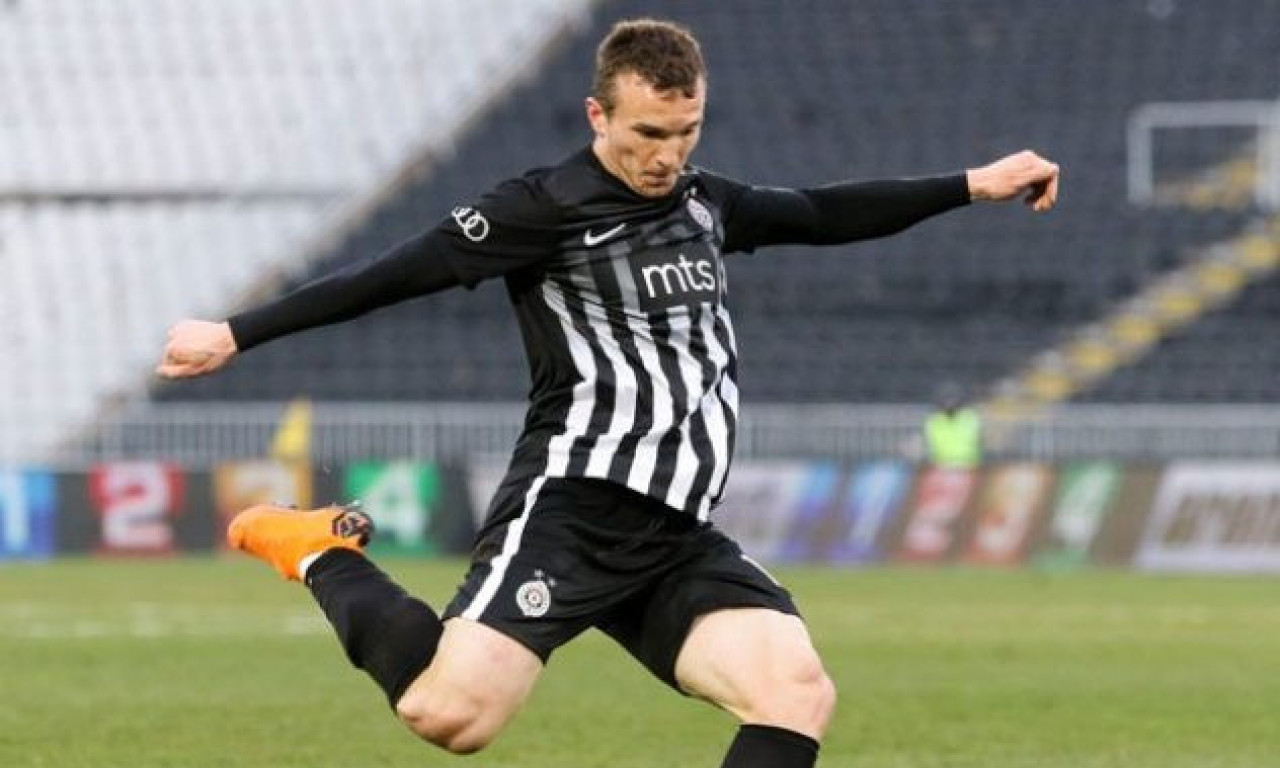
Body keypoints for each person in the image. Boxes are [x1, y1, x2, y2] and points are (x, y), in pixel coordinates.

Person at [156, 18, 1059, 767]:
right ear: (599, 114)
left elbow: (821, 214)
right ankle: (319, 549)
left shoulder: (701, 203)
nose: (668, 155)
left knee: (794, 693)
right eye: (647, 134)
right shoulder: (541, 208)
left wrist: (973, 185)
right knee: (449, 718)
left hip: (674, 531)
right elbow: (394, 274)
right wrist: (236, 333)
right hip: (575, 506)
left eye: (686, 131)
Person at [924, 383, 983, 470]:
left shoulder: (970, 417)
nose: (950, 403)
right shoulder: (934, 420)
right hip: (941, 466)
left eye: (952, 398)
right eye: (946, 399)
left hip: (969, 465)